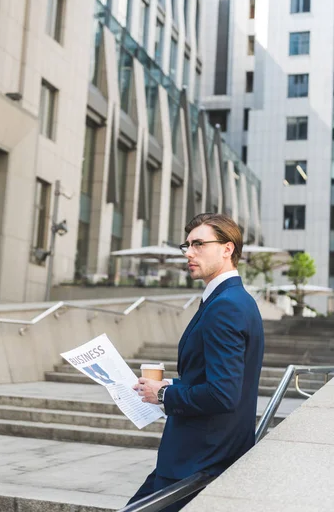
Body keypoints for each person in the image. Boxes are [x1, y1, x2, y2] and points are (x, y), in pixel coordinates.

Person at [127, 213, 264, 512]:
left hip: (201, 459)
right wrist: (170, 384)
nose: (189, 253)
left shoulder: (226, 305)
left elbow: (223, 393)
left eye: (199, 244)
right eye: (187, 245)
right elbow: (221, 379)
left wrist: (162, 394)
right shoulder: (233, 300)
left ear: (227, 249)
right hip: (205, 454)